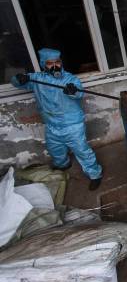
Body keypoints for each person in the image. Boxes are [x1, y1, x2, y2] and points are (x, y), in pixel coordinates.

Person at [11, 48, 103, 191]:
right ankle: (63, 165)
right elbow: (16, 83)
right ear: (43, 64)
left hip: (72, 124)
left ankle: (95, 174)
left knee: (82, 151)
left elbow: (79, 93)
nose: (55, 66)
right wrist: (19, 78)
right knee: (55, 149)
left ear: (61, 62)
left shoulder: (70, 79)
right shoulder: (36, 79)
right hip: (51, 124)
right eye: (50, 63)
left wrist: (73, 91)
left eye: (57, 62)